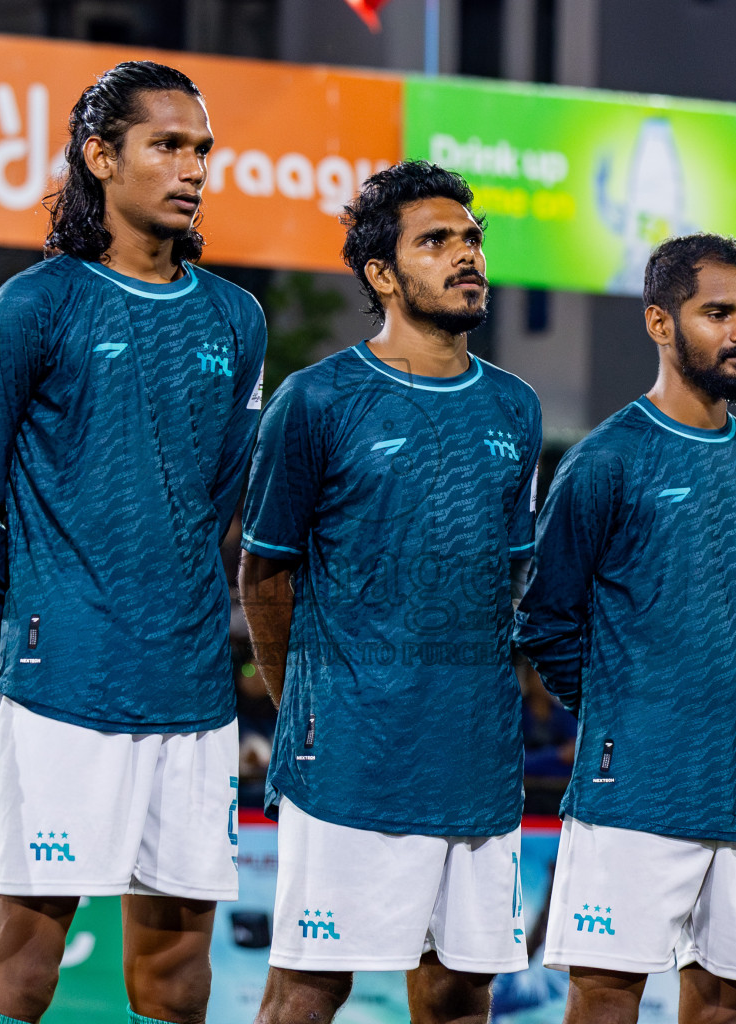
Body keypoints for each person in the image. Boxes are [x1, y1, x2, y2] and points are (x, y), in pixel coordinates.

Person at [0, 61, 266, 1024]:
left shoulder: (237, 319)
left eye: (201, 149)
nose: (192, 168)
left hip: (195, 695)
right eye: (167, 145)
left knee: (174, 974)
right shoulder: (37, 305)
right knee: (25, 961)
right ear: (101, 156)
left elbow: (216, 496)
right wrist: (35, 612)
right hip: (63, 685)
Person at [239, 160, 541, 1023]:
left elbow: (507, 579)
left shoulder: (515, 410)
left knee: (457, 995)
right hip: (348, 754)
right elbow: (264, 572)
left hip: (478, 761)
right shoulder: (317, 400)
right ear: (382, 274)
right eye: (436, 240)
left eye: (472, 237)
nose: (466, 254)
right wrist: (307, 702)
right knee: (307, 988)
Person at [514, 233, 736, 1024]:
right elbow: (545, 619)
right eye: (717, 313)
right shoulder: (606, 461)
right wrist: (618, 718)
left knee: (732, 1005)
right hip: (630, 791)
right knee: (605, 1001)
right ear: (661, 325)